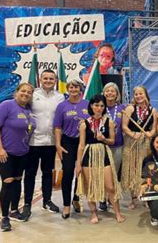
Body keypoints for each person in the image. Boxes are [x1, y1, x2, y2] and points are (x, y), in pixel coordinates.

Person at [0, 83, 36, 231]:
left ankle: (14, 211)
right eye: (23, 91)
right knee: (8, 181)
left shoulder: (28, 110)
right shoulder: (6, 106)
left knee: (17, 180)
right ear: (16, 92)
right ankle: (4, 217)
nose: (26, 94)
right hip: (5, 152)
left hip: (22, 152)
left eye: (29, 92)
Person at [75, 94, 124, 224]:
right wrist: (78, 164)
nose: (99, 108)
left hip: (104, 154)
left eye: (102, 106)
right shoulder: (84, 124)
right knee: (90, 186)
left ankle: (117, 212)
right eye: (96, 105)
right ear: (91, 106)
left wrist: (104, 139)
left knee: (110, 186)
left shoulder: (109, 122)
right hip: (89, 155)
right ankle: (94, 213)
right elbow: (81, 145)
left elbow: (112, 141)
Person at [22, 70, 65, 219]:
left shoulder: (60, 97)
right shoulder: (32, 95)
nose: (48, 80)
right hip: (33, 142)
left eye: (51, 78)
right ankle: (27, 204)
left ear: (55, 80)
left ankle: (47, 201)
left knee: (48, 173)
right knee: (30, 173)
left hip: (51, 142)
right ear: (40, 79)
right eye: (45, 78)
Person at [54, 79, 89, 219]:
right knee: (68, 173)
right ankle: (66, 205)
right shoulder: (62, 106)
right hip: (67, 142)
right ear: (68, 89)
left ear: (80, 89)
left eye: (76, 87)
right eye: (71, 87)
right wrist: (58, 144)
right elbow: (57, 127)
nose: (74, 90)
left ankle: (76, 198)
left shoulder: (87, 104)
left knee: (80, 173)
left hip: (84, 142)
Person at [122, 86, 157, 209]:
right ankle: (133, 199)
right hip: (132, 142)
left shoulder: (152, 110)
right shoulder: (130, 108)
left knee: (146, 170)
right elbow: (124, 126)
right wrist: (133, 134)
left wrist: (150, 134)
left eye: (141, 93)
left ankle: (145, 197)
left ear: (146, 94)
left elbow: (154, 128)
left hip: (146, 143)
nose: (138, 96)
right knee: (133, 169)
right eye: (136, 94)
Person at [98, 82, 126, 211]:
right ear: (103, 93)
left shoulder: (122, 108)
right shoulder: (99, 107)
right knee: (102, 172)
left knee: (114, 173)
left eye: (112, 91)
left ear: (117, 94)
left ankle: (111, 197)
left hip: (118, 146)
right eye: (107, 91)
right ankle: (102, 198)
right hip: (102, 146)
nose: (110, 93)